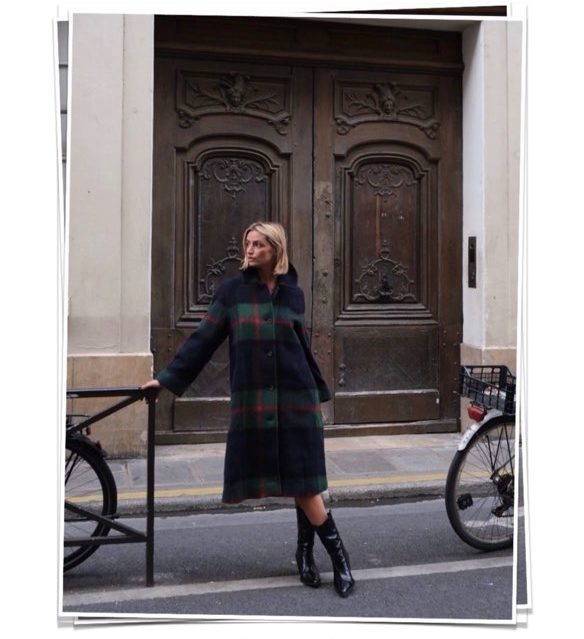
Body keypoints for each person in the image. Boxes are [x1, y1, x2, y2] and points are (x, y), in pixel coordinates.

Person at [142, 221, 355, 597]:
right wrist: (167, 379)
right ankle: (318, 557)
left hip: (297, 398)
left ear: (275, 249)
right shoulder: (231, 293)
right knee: (302, 483)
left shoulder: (294, 294)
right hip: (256, 400)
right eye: (248, 243)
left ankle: (327, 558)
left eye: (258, 244)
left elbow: (300, 347)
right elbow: (203, 339)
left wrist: (318, 391)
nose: (250, 249)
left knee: (304, 481)